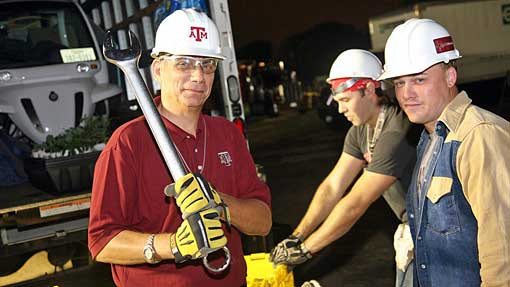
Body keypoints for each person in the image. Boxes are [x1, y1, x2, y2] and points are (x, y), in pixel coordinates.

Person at [87, 9, 271, 287]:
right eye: (184, 63)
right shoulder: (128, 142)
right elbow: (102, 243)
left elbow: (263, 221)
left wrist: (219, 203)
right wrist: (170, 246)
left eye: (207, 64)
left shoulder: (227, 134)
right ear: (158, 69)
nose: (198, 76)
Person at [269, 49, 419, 287]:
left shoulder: (395, 132)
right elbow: (333, 186)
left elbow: (356, 203)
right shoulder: (360, 131)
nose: (340, 110)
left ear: (369, 89)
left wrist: (306, 251)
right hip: (413, 227)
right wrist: (296, 237)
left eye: (346, 100)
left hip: (437, 230)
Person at [378, 18, 510, 287]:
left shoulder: (478, 136)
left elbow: (502, 250)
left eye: (419, 79)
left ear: (451, 76)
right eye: (400, 83)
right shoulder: (430, 137)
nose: (407, 94)